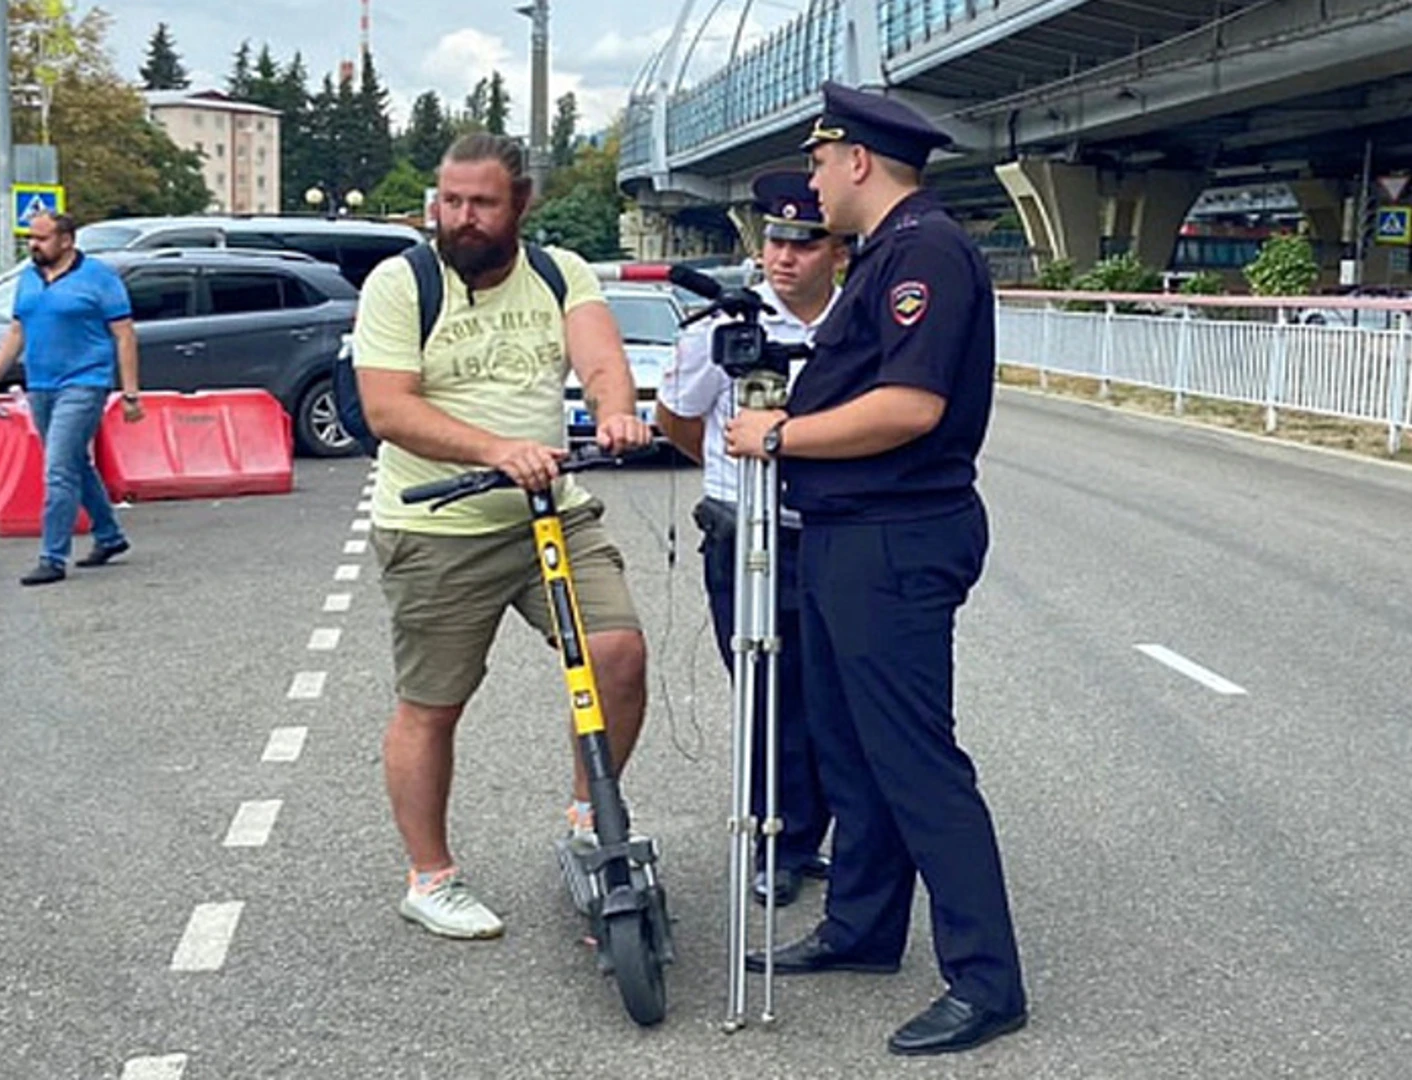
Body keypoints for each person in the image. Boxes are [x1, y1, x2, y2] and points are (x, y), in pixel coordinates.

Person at [724, 82, 1030, 1056]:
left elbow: (910, 409)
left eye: (819, 162)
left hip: (896, 538)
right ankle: (861, 930)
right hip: (853, 534)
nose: (813, 181)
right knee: (850, 750)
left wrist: (780, 433)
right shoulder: (890, 255)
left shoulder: (924, 252)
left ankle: (988, 983)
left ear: (857, 161)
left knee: (915, 763)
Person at [353, 133, 655, 940]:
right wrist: (495, 450)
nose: (462, 217)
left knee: (618, 653)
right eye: (450, 201)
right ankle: (431, 877)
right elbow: (387, 408)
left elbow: (599, 358)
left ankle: (592, 820)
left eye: (482, 202)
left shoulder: (559, 273)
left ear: (521, 203)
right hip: (438, 522)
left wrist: (617, 407)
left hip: (550, 510)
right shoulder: (400, 283)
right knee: (434, 704)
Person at [656, 171, 843, 908]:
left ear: (837, 252)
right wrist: (727, 478)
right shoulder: (720, 330)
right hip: (745, 535)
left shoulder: (852, 326)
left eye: (804, 242)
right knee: (769, 694)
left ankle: (816, 833)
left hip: (828, 530)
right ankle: (778, 841)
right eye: (775, 240)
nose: (785, 257)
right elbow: (675, 418)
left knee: (832, 693)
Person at [0, 212, 143, 587]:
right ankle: (110, 536)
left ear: (66, 240)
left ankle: (52, 557)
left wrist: (131, 393)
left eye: (42, 238)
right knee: (75, 464)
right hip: (42, 385)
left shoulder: (99, 277)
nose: (34, 245)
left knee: (58, 468)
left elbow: (125, 335)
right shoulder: (29, 278)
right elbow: (17, 331)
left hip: (85, 383)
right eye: (30, 238)